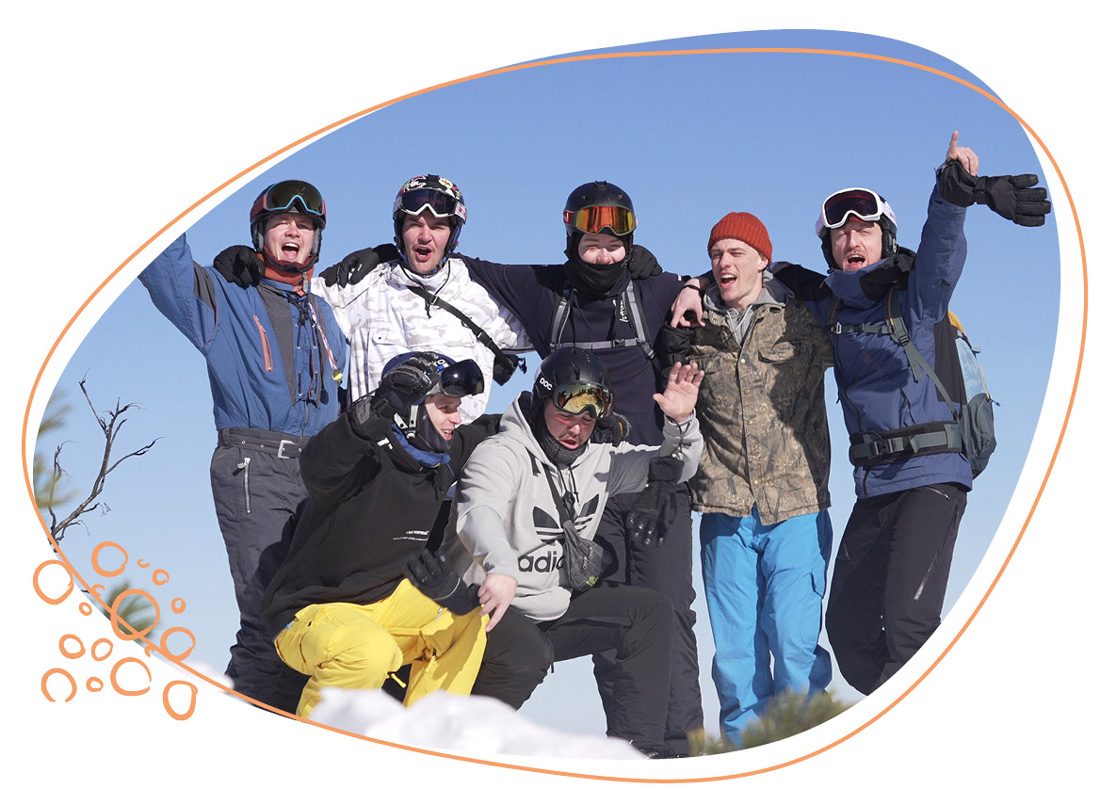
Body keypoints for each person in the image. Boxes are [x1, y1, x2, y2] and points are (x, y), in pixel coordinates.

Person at [672, 132, 1048, 695]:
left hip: (933, 477)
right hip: (875, 487)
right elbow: (760, 276)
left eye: (864, 227)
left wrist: (952, 194)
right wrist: (694, 283)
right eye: (841, 230)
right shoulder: (828, 305)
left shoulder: (917, 294)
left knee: (908, 626)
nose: (852, 237)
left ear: (883, 237)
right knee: (848, 633)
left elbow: (943, 245)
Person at [139, 180, 346, 713]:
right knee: (272, 620)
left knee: (319, 624)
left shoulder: (325, 318)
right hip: (254, 464)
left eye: (304, 225)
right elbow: (161, 262)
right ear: (260, 234)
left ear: (316, 241)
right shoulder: (226, 297)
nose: (293, 231)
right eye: (281, 223)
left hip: (320, 478)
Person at [441, 347, 703, 756]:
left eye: (587, 418)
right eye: (566, 413)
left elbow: (674, 467)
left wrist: (680, 423)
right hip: (484, 607)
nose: (576, 429)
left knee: (650, 612)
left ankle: (634, 757)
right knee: (529, 654)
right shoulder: (501, 453)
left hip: (549, 609)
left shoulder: (600, 462)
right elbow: (479, 510)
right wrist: (501, 566)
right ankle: (457, 750)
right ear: (543, 400)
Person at [657, 211, 834, 744]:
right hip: (723, 506)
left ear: (763, 259)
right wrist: (694, 287)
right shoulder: (692, 326)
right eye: (716, 254)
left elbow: (854, 299)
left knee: (796, 645)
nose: (725, 262)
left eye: (737, 252)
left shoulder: (801, 316)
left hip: (797, 504)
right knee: (735, 658)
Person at [261, 353, 497, 719]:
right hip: (311, 613)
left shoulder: (440, 457)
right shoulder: (363, 459)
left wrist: (572, 418)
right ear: (411, 410)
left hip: (383, 604)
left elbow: (503, 425)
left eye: (458, 407)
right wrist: (381, 403)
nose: (456, 418)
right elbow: (318, 463)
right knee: (369, 651)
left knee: (465, 616)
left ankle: (421, 748)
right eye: (446, 407)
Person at [317, 174, 531, 422]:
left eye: (438, 226)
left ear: (454, 236)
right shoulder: (362, 286)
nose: (425, 236)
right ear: (400, 230)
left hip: (456, 454)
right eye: (415, 224)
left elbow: (561, 322)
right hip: (376, 453)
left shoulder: (481, 296)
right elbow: (283, 297)